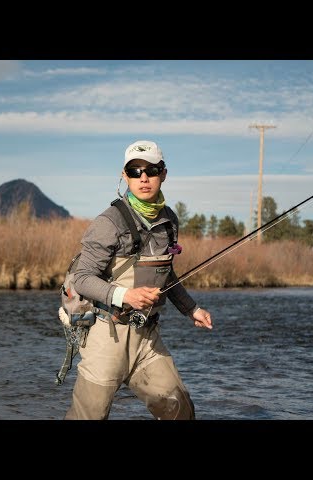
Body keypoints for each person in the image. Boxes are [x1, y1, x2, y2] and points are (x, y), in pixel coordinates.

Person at [64, 139, 213, 420]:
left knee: (180, 410)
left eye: (152, 170)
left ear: (163, 174)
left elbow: (166, 273)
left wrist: (191, 309)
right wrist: (125, 296)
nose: (143, 178)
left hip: (146, 337)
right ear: (125, 176)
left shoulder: (169, 220)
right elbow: (82, 279)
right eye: (134, 171)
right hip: (106, 337)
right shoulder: (108, 222)